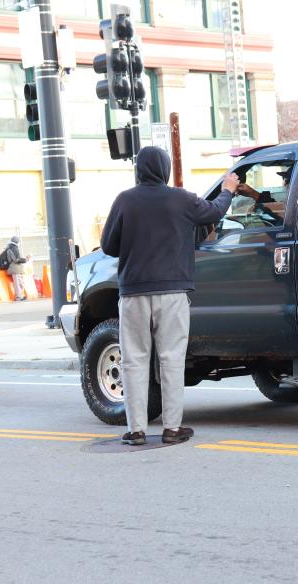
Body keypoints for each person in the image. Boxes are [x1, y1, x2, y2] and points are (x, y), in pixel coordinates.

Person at [100, 146, 239, 446]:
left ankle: (136, 430)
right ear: (164, 169)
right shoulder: (181, 198)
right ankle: (172, 429)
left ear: (139, 170)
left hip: (134, 292)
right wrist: (228, 189)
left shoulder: (124, 200)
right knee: (172, 359)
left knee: (134, 360)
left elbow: (108, 245)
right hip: (173, 293)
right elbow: (213, 212)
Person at [5, 236, 29, 301]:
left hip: (16, 268)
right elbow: (16, 260)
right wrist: (25, 260)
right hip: (14, 268)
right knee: (18, 283)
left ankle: (20, 296)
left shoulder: (11, 247)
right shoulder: (13, 248)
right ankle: (19, 297)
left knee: (20, 283)